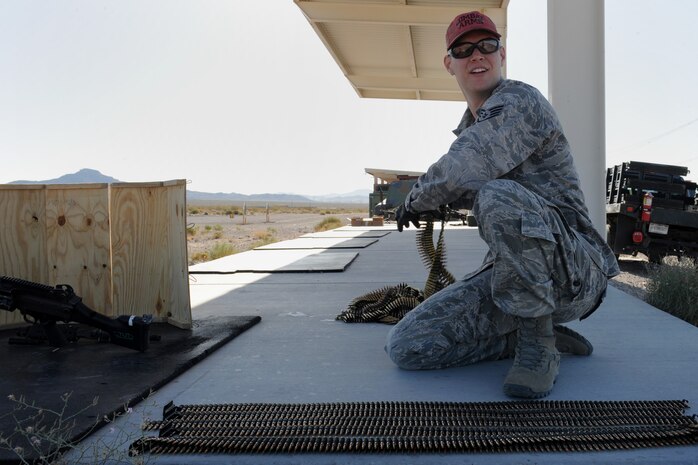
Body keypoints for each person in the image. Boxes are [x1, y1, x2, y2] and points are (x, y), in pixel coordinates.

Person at [386, 11, 620, 399]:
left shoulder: (519, 101)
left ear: (502, 54)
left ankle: (537, 347)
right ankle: (523, 337)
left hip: (576, 270)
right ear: (449, 63)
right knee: (409, 345)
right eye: (463, 49)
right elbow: (462, 177)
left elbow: (465, 167)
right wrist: (435, 202)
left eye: (487, 45)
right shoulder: (472, 127)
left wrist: (415, 198)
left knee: (496, 195)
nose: (477, 55)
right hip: (519, 277)